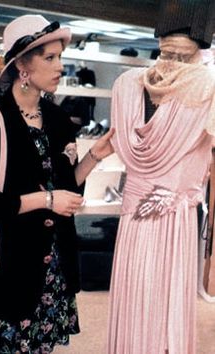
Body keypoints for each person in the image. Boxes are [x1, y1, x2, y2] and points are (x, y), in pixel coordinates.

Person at [0, 14, 114, 353]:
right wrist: (45, 201)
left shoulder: (57, 118)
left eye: (61, 57)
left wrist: (94, 158)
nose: (60, 67)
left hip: (53, 265)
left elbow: (68, 189)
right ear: (22, 66)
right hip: (9, 263)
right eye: (50, 58)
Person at [107, 1, 215, 353]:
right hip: (171, 218)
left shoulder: (125, 85)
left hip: (138, 215)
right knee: (162, 300)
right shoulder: (206, 88)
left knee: (137, 293)